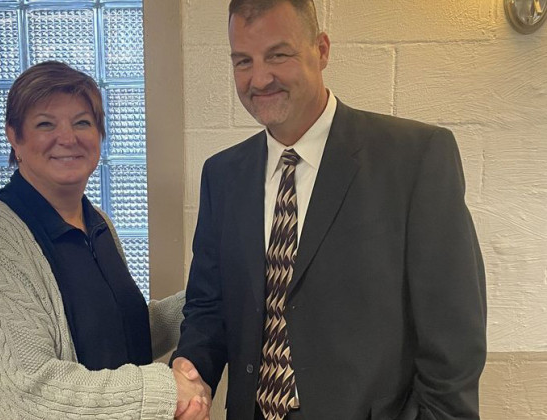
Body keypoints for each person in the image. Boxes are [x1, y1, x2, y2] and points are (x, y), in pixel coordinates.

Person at [171, 1, 487, 419]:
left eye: (277, 55)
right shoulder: (223, 176)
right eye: (243, 61)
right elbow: (209, 307)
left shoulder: (414, 159)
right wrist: (191, 373)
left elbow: (454, 337)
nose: (259, 78)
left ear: (320, 50)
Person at [0, 61, 210, 420]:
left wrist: (208, 298)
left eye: (82, 122)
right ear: (14, 137)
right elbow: (32, 391)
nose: (67, 138)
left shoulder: (96, 224)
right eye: (45, 124)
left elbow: (120, 332)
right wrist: (167, 391)